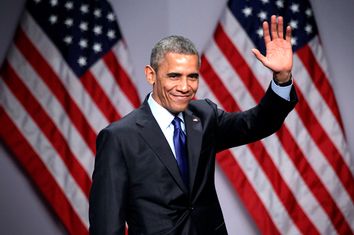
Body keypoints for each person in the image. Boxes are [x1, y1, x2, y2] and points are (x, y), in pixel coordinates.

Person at [89, 15, 297, 235]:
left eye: (192, 77)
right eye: (174, 76)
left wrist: (282, 79)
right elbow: (106, 225)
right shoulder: (119, 137)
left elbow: (256, 124)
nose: (185, 86)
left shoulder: (205, 116)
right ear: (151, 75)